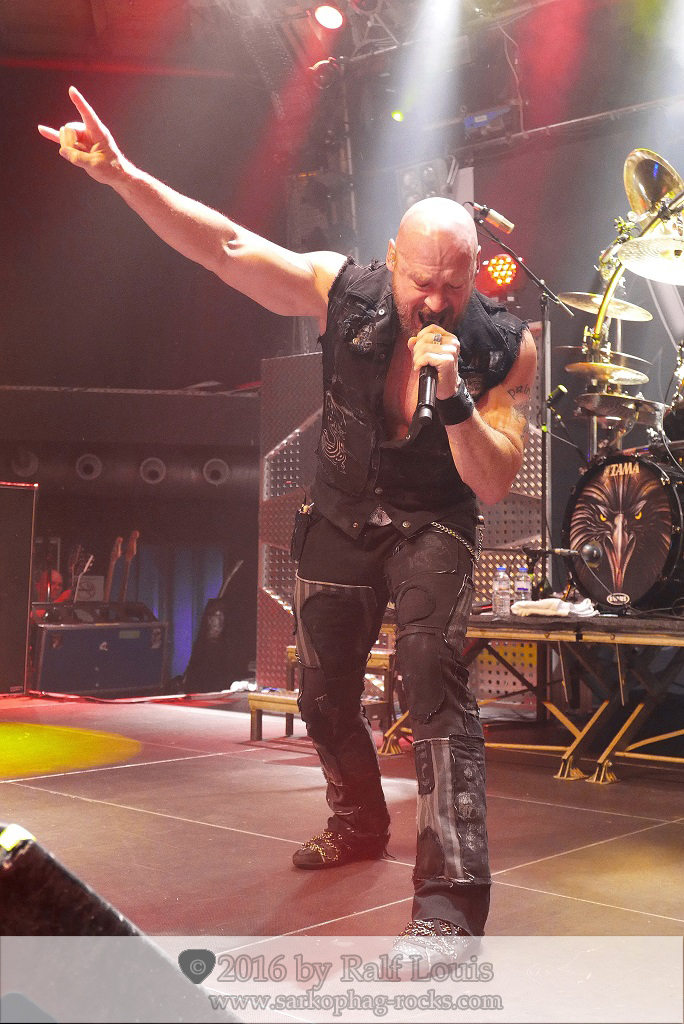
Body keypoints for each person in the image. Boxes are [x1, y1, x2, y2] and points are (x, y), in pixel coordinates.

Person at [39, 88, 536, 955]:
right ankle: (358, 821)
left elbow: (493, 483)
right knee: (322, 691)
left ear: (473, 277)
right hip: (341, 509)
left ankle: (450, 908)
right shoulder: (340, 289)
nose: (435, 301)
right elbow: (227, 246)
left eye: (453, 286)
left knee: (432, 680)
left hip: (434, 520)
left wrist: (456, 398)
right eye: (422, 281)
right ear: (393, 260)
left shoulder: (503, 345)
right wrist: (122, 176)